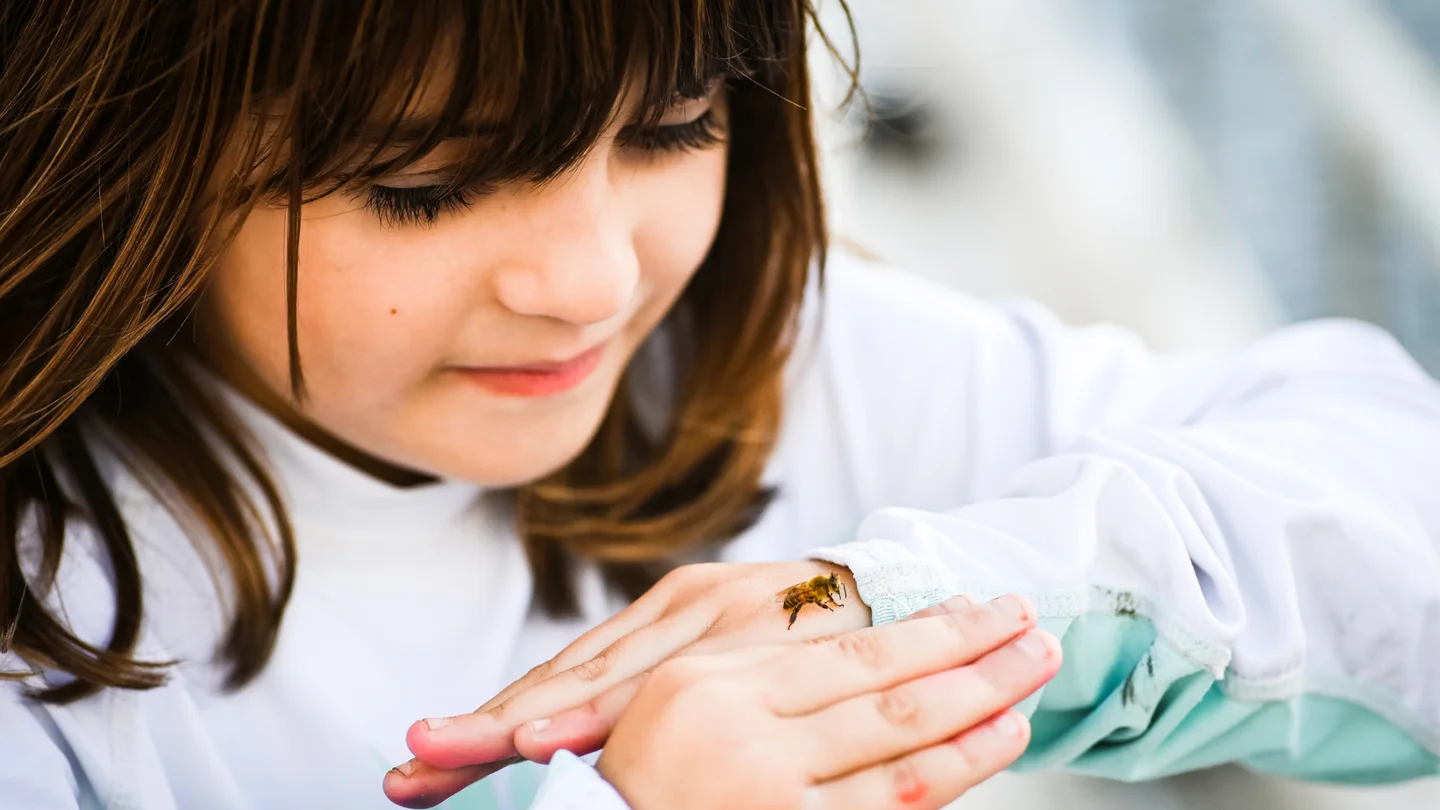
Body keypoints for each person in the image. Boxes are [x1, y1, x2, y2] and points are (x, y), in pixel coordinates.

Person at [0, 3, 1436, 810]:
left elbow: (1393, 492)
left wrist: (903, 612)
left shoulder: (774, 361)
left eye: (675, 127)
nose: (592, 281)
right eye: (424, 185)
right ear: (128, 153)